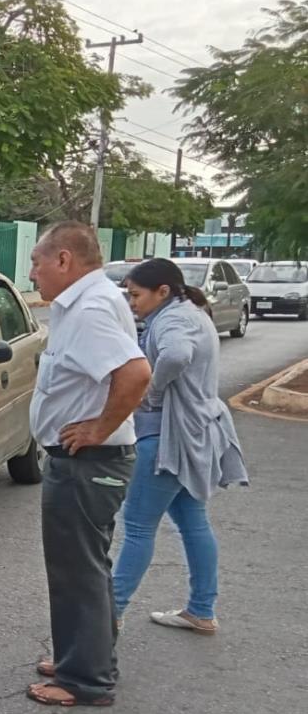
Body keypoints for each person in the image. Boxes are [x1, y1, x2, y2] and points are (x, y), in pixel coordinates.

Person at [25, 222, 151, 708]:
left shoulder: (91, 308)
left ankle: (87, 679)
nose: (32, 271)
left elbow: (136, 373)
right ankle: (81, 656)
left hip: (87, 459)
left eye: (37, 261)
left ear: (63, 260)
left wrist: (99, 427)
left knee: (79, 569)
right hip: (81, 459)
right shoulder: (88, 302)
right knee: (83, 566)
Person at [113, 258, 247, 634]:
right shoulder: (190, 312)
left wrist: (147, 391)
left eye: (135, 294)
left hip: (168, 436)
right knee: (192, 521)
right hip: (194, 432)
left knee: (138, 526)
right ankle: (201, 610)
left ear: (163, 292)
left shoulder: (173, 319)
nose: (131, 302)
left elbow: (174, 356)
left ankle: (109, 614)